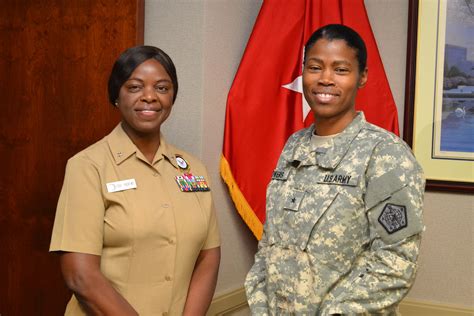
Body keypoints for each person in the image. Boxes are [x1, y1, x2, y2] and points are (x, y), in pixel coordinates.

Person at [245, 24, 425, 315]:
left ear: (362, 76)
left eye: (340, 70)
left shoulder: (384, 154)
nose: (325, 79)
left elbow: (396, 260)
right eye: (315, 67)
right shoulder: (294, 146)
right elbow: (270, 243)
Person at [50, 46, 220, 316]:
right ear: (116, 95)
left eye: (162, 88)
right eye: (135, 87)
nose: (150, 97)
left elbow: (208, 256)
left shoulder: (193, 169)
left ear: (172, 97)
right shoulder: (88, 167)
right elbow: (79, 275)